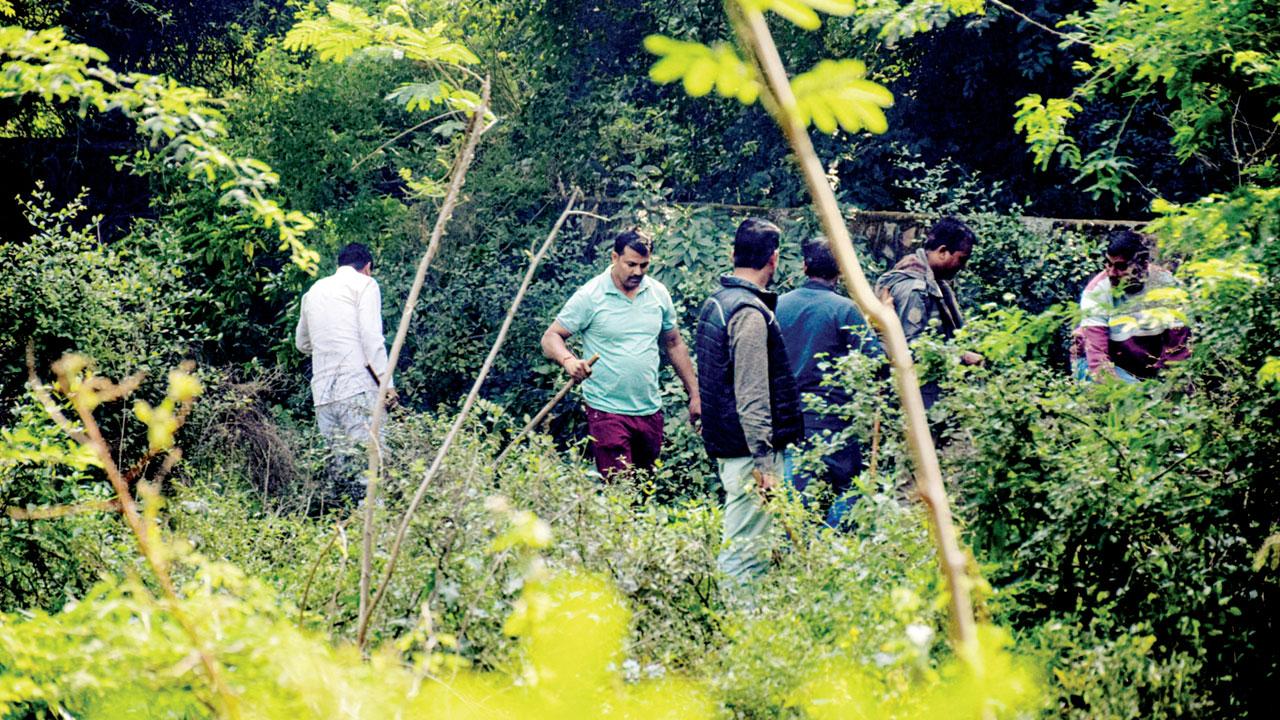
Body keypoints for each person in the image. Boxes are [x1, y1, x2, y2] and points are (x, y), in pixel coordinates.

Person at [541, 228, 700, 479]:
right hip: (607, 410)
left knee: (644, 487)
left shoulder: (658, 293)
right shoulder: (591, 295)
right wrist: (569, 361)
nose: (637, 272)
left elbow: (674, 343)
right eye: (631, 264)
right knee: (619, 487)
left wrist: (694, 393)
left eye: (644, 265)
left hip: (649, 410)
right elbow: (551, 337)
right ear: (614, 258)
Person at [695, 218, 803, 582]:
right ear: (774, 260)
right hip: (747, 453)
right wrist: (764, 463)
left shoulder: (718, 303)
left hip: (730, 447)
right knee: (746, 556)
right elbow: (752, 393)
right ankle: (738, 634)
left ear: (732, 254)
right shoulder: (748, 313)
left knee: (743, 544)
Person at [776, 236, 877, 527]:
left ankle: (800, 556)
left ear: (804, 266)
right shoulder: (845, 310)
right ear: (842, 271)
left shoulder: (779, 306)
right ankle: (830, 543)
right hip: (836, 420)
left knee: (796, 501)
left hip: (790, 420)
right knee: (853, 491)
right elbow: (876, 361)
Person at [295, 243, 394, 499]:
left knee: (342, 474)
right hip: (357, 387)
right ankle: (374, 532)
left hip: (324, 395)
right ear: (367, 267)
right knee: (370, 470)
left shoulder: (314, 291)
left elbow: (301, 344)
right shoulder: (365, 285)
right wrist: (387, 384)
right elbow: (372, 338)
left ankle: (342, 529)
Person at [875, 216, 983, 408]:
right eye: (961, 259)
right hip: (914, 395)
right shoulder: (915, 290)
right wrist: (961, 356)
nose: (963, 266)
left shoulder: (931, 283)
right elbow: (911, 347)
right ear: (942, 251)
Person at [1073, 229, 1190, 381]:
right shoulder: (1097, 291)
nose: (1111, 272)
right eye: (1108, 264)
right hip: (1103, 365)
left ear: (1143, 264)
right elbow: (1097, 359)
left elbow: (1177, 351)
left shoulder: (1168, 285)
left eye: (1121, 267)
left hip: (1148, 369)